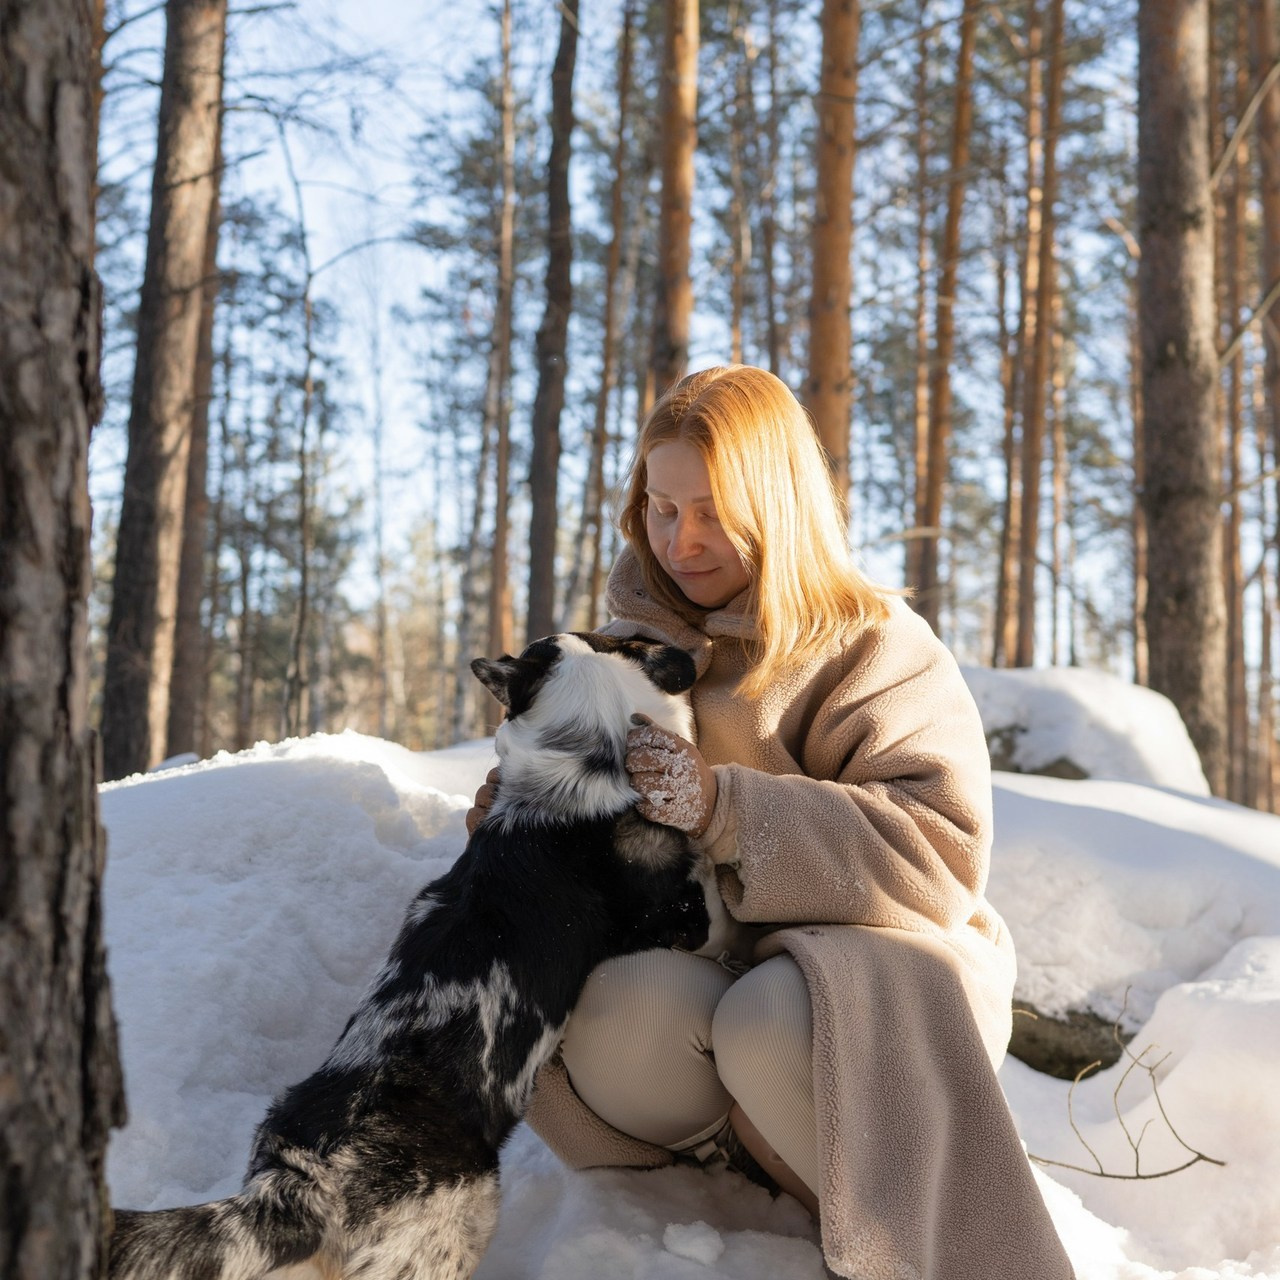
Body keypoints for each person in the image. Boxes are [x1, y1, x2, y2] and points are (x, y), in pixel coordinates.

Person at [468, 365, 1074, 1280]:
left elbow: (939, 855)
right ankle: (729, 1160)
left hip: (876, 988)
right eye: (661, 508)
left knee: (771, 1018)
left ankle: (862, 1200)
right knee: (613, 1011)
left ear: (776, 500)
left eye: (712, 509)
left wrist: (725, 809)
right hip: (698, 970)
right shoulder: (614, 651)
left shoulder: (878, 645)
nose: (682, 539)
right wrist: (518, 817)